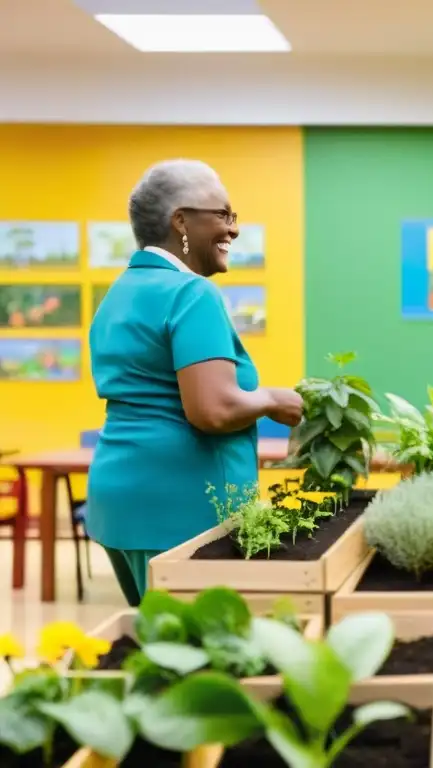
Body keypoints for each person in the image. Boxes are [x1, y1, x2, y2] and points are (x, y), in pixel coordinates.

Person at [87, 159, 303, 607]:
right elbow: (213, 410)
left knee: (159, 649)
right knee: (201, 660)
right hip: (185, 507)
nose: (233, 229)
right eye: (222, 215)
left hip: (121, 501)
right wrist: (272, 400)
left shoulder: (122, 291)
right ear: (180, 221)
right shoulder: (192, 293)